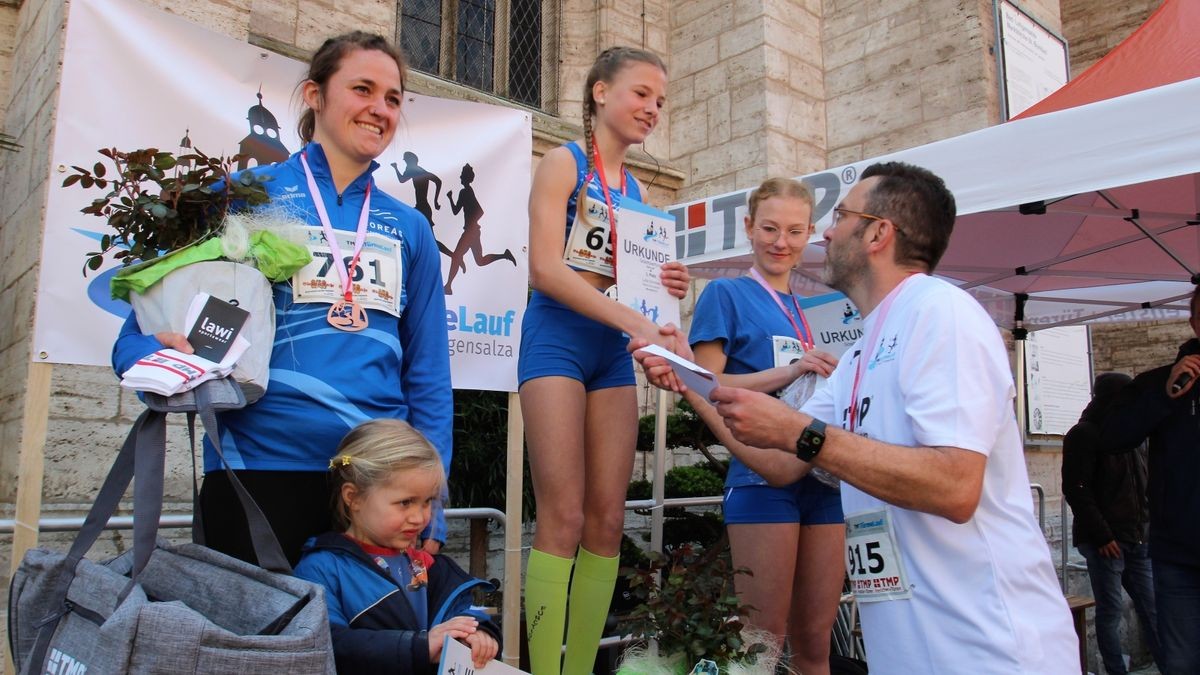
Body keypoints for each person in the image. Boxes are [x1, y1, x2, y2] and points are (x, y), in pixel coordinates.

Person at [637, 162, 1077, 673]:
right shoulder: (860, 351)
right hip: (909, 653)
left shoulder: (941, 314)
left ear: (877, 233)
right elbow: (780, 464)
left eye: (840, 216)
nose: (825, 231)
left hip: (986, 649)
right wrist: (686, 376)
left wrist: (803, 433)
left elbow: (956, 487)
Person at [112, 32, 453, 566]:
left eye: (392, 98)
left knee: (366, 651)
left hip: (377, 485)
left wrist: (434, 499)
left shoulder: (408, 228)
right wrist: (152, 355)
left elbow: (428, 373)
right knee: (250, 648)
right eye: (362, 88)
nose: (380, 109)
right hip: (257, 469)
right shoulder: (242, 197)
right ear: (314, 95)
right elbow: (138, 331)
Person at [519, 46, 690, 675]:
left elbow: (630, 283)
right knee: (561, 516)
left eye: (660, 102)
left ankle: (583, 665)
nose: (652, 109)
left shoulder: (638, 190)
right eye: (642, 93)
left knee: (610, 520)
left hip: (610, 354)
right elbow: (545, 269)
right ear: (599, 93)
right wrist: (633, 318)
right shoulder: (561, 164)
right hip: (557, 343)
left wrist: (665, 285)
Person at [687, 177, 842, 675]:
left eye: (795, 231)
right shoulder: (725, 293)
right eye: (771, 228)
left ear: (811, 233)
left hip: (823, 474)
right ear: (749, 227)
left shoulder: (812, 308)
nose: (782, 242)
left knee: (816, 646)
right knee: (760, 647)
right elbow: (705, 382)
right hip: (761, 476)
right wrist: (791, 370)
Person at [294, 419, 500, 674]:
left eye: (427, 502)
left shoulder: (429, 564)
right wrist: (417, 647)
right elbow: (329, 645)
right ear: (353, 498)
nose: (419, 517)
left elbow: (482, 607)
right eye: (405, 503)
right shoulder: (321, 569)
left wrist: (479, 632)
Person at [1098, 287, 1200, 675]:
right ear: (1193, 322)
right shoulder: (1159, 383)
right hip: (1178, 557)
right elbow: (1112, 437)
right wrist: (1164, 395)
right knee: (1181, 663)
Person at [1063, 372, 1161, 675]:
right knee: (1111, 611)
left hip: (1137, 538)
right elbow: (1077, 489)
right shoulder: (1084, 434)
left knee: (1153, 608)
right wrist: (1103, 536)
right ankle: (1117, 670)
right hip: (1105, 541)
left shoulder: (1133, 434)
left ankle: (1171, 665)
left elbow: (1144, 484)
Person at [443, 162, 516, 294]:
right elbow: (462, 211)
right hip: (472, 231)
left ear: (465, 177)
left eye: (461, 176)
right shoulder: (466, 191)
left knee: (457, 256)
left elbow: (473, 211)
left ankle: (448, 286)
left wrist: (450, 198)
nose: (460, 178)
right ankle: (505, 255)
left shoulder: (465, 192)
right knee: (480, 261)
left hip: (471, 231)